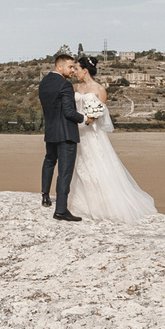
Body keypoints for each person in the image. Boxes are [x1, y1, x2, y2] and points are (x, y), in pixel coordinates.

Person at [65, 54, 157, 221]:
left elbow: (102, 115)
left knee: (96, 165)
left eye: (77, 69)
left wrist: (92, 117)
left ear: (85, 71)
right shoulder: (75, 88)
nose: (75, 72)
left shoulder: (100, 90)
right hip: (77, 132)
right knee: (79, 166)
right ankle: (80, 202)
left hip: (91, 133)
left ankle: (102, 204)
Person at [38, 50, 86, 220]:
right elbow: (69, 112)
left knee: (49, 161)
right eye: (70, 67)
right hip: (66, 132)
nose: (73, 70)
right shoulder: (64, 85)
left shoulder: (44, 83)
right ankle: (60, 210)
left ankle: (45, 195)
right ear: (59, 66)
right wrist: (84, 118)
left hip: (51, 130)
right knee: (65, 171)